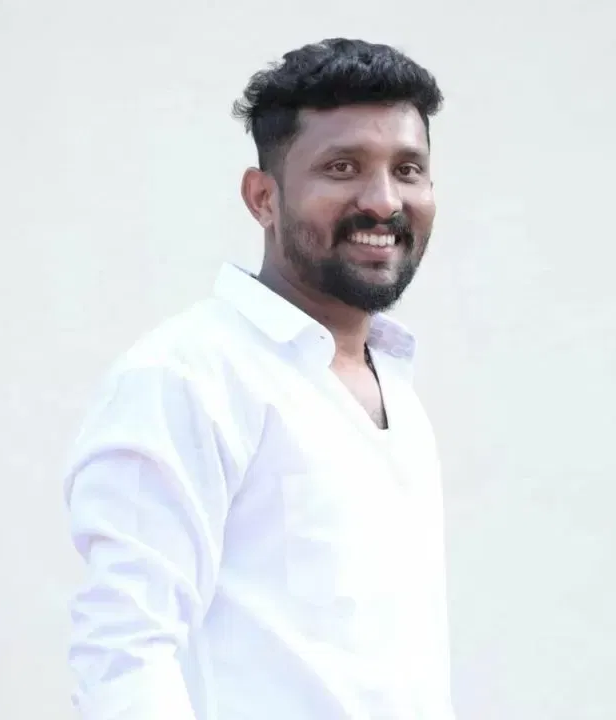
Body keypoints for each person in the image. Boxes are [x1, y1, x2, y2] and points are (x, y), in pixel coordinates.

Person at [65, 38, 453, 719]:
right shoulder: (187, 378)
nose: (383, 200)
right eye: (342, 167)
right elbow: (124, 660)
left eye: (408, 169)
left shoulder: (392, 381)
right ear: (262, 197)